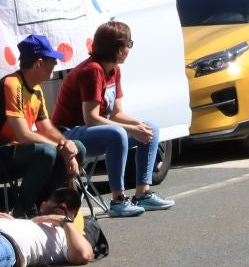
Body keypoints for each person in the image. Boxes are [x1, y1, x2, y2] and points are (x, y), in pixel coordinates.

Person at [50, 20, 175, 218]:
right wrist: (130, 129)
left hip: (94, 131)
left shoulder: (114, 70)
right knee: (117, 134)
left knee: (150, 128)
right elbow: (91, 118)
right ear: (118, 48)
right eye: (129, 44)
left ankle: (143, 193)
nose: (129, 49)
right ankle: (118, 200)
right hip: (69, 133)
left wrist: (137, 126)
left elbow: (117, 112)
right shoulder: (92, 71)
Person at [0, 34, 85, 207]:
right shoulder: (12, 84)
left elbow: (46, 128)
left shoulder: (36, 89)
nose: (56, 65)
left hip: (13, 150)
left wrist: (66, 144)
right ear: (39, 63)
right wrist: (60, 148)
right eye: (52, 61)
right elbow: (24, 135)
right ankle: (24, 210)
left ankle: (44, 204)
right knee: (46, 152)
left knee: (78, 147)